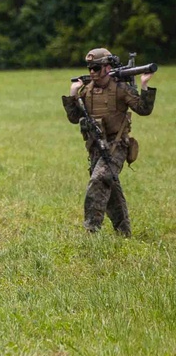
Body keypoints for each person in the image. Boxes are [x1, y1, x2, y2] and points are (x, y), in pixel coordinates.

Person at [62, 48, 156, 236]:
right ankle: (123, 231)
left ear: (107, 67)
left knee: (99, 179)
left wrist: (145, 85)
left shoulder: (120, 89)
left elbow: (144, 109)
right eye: (90, 68)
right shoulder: (87, 90)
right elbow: (73, 118)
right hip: (95, 147)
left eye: (96, 68)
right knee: (110, 187)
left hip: (117, 146)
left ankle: (91, 229)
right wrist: (72, 95)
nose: (92, 72)